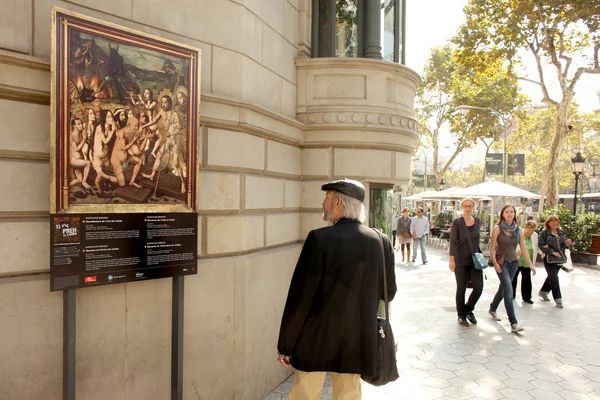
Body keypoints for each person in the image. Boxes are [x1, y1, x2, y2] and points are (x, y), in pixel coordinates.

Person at [277, 179, 396, 400]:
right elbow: (389, 291)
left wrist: (285, 343)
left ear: (338, 202)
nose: (323, 203)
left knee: (305, 395)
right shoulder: (381, 242)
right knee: (348, 395)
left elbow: (300, 298)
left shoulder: (319, 239)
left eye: (327, 198)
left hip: (314, 342)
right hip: (356, 340)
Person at [488, 204, 535, 333]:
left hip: (514, 263)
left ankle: (492, 308)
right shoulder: (497, 229)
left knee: (503, 289)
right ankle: (513, 323)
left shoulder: (518, 230)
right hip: (502, 263)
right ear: (503, 214)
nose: (509, 214)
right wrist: (496, 263)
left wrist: (530, 264)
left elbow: (523, 248)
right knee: (509, 291)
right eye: (507, 212)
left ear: (515, 214)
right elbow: (492, 248)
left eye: (512, 212)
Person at [449, 198, 483, 327]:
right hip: (460, 259)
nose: (468, 208)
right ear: (462, 207)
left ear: (473, 208)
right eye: (466, 206)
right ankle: (461, 315)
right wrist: (452, 259)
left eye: (470, 206)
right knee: (461, 288)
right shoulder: (457, 222)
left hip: (475, 260)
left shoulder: (477, 221)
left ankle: (468, 309)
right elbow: (453, 241)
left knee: (479, 287)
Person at [538, 215, 572, 308]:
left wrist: (567, 244)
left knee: (552, 277)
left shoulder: (561, 232)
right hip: (548, 259)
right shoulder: (545, 233)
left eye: (556, 221)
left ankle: (543, 292)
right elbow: (540, 246)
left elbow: (563, 246)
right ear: (548, 223)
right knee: (554, 278)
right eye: (552, 221)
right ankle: (558, 299)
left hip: (559, 259)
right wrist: (552, 252)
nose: (554, 223)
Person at [512, 220, 539, 304]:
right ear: (525, 227)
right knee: (513, 278)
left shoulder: (535, 236)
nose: (530, 232)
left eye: (532, 230)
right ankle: (511, 295)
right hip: (517, 260)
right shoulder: (519, 233)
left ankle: (527, 297)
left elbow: (536, 247)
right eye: (528, 229)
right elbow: (513, 245)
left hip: (527, 261)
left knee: (527, 279)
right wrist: (515, 251)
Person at [69, 117, 92, 189]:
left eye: (81, 123)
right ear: (74, 126)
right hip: (74, 161)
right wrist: (84, 139)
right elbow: (77, 148)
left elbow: (88, 143)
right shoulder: (71, 135)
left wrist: (86, 135)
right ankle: (84, 182)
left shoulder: (81, 134)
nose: (81, 125)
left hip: (79, 160)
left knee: (79, 180)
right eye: (78, 124)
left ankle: (67, 186)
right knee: (88, 163)